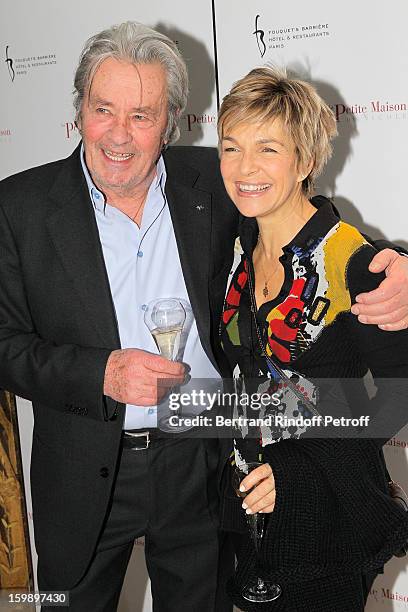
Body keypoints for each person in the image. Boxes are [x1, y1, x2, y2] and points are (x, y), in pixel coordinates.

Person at [0, 22, 406, 612]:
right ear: (79, 107)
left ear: (169, 122)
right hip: (81, 471)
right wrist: (101, 374)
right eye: (102, 108)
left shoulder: (211, 186)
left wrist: (395, 268)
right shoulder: (19, 207)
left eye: (141, 115)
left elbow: (312, 226)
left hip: (203, 466)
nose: (118, 133)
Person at [217, 66, 408, 612]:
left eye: (268, 149)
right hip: (250, 512)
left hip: (327, 517)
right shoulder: (236, 249)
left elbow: (398, 396)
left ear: (305, 161)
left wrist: (297, 472)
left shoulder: (352, 260)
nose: (245, 168)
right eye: (231, 148)